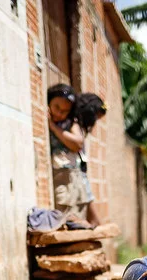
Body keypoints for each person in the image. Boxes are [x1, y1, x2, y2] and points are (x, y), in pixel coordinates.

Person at [47, 84, 91, 222]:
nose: (59, 113)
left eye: (65, 111)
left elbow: (77, 143)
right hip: (57, 178)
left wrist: (54, 128)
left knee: (74, 220)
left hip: (71, 178)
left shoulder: (70, 123)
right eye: (56, 107)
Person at [73, 93, 108, 226]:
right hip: (75, 167)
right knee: (85, 193)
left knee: (86, 193)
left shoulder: (80, 126)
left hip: (80, 165)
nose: (95, 121)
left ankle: (93, 221)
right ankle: (94, 221)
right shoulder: (74, 124)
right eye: (97, 118)